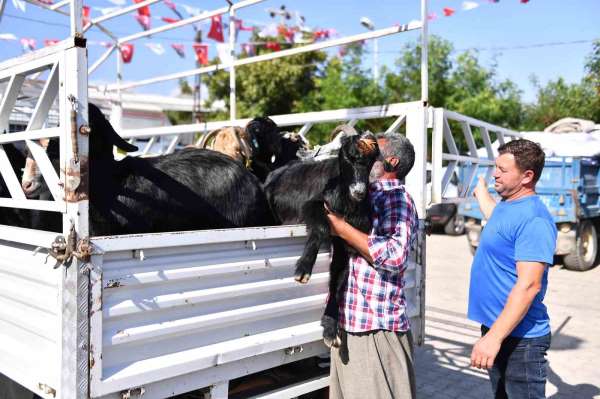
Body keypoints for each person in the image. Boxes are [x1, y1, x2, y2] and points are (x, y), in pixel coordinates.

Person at [324, 132, 419, 399]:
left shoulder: (397, 200)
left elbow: (395, 255)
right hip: (351, 323)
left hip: (376, 328)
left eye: (372, 154)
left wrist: (341, 228)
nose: (364, 157)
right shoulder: (366, 196)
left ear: (390, 162)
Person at [468, 139, 557, 399]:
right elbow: (496, 219)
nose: (495, 173)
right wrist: (481, 192)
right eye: (496, 167)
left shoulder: (535, 220)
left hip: (520, 341)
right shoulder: (508, 206)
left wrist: (493, 339)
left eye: (503, 170)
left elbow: (529, 286)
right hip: (499, 329)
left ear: (527, 176)